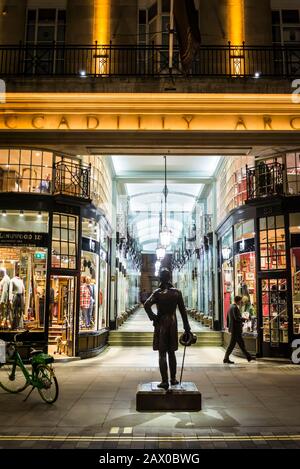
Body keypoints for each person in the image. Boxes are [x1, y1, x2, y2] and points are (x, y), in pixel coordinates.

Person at [144, 268, 191, 390]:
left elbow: (146, 305)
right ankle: (173, 379)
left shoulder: (157, 293)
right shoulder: (177, 292)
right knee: (172, 352)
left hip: (161, 323)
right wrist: (187, 326)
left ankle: (165, 381)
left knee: (162, 353)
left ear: (160, 278)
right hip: (172, 322)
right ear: (169, 278)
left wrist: (153, 317)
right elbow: (183, 311)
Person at [223, 295, 254, 364]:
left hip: (234, 329)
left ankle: (248, 357)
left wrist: (228, 327)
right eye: (241, 301)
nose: (241, 302)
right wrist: (244, 319)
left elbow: (228, 317)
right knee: (234, 344)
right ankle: (226, 358)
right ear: (239, 301)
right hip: (236, 329)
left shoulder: (231, 307)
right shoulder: (234, 307)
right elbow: (237, 318)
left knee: (240, 344)